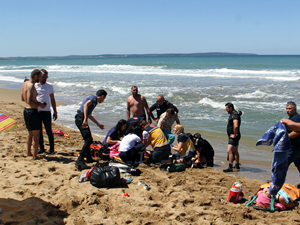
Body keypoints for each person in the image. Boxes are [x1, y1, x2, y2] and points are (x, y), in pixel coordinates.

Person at [75, 89, 107, 169]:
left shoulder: (94, 101)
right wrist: (85, 119)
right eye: (104, 98)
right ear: (102, 96)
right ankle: (80, 160)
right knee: (88, 140)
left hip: (81, 118)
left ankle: (88, 158)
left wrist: (98, 124)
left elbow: (89, 115)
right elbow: (85, 105)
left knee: (89, 139)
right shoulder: (94, 98)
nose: (103, 100)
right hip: (81, 118)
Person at [21, 69, 46, 159]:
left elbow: (23, 99)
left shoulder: (25, 84)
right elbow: (28, 100)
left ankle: (28, 152)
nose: (40, 78)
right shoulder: (31, 86)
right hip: (32, 111)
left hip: (26, 110)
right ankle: (35, 155)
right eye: (40, 76)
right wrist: (40, 104)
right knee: (36, 135)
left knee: (30, 133)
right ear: (35, 76)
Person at [35, 69, 57, 155]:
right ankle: (41, 148)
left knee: (49, 131)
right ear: (39, 76)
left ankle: (52, 149)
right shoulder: (35, 85)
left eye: (46, 76)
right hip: (37, 111)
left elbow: (52, 99)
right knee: (39, 131)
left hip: (47, 111)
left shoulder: (49, 86)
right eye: (43, 76)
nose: (45, 78)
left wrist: (55, 111)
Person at [223, 102, 242, 172]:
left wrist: (234, 134)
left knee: (229, 150)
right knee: (235, 150)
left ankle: (230, 167)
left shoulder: (235, 115)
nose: (226, 110)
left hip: (234, 136)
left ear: (231, 108)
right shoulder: (233, 114)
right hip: (235, 136)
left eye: (227, 109)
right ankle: (237, 165)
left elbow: (236, 125)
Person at [284, 102, 300, 183]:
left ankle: (277, 183)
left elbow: (296, 132)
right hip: (297, 148)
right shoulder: (293, 118)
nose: (287, 110)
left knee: (283, 165)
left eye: (289, 108)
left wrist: (285, 137)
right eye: (286, 108)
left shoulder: (295, 118)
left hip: (293, 148)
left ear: (295, 109)